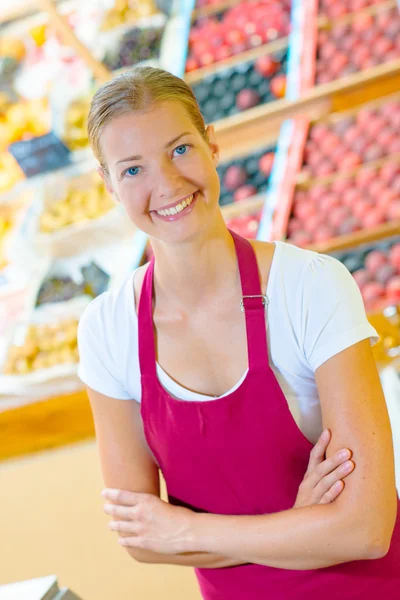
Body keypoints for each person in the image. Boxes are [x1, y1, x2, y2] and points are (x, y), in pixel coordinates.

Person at [77, 67, 399, 599]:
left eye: (180, 150)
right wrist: (301, 524)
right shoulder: (107, 331)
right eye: (133, 170)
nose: (167, 184)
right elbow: (141, 539)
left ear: (211, 143)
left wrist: (187, 530)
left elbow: (364, 529)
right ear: (108, 184)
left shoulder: (310, 287)